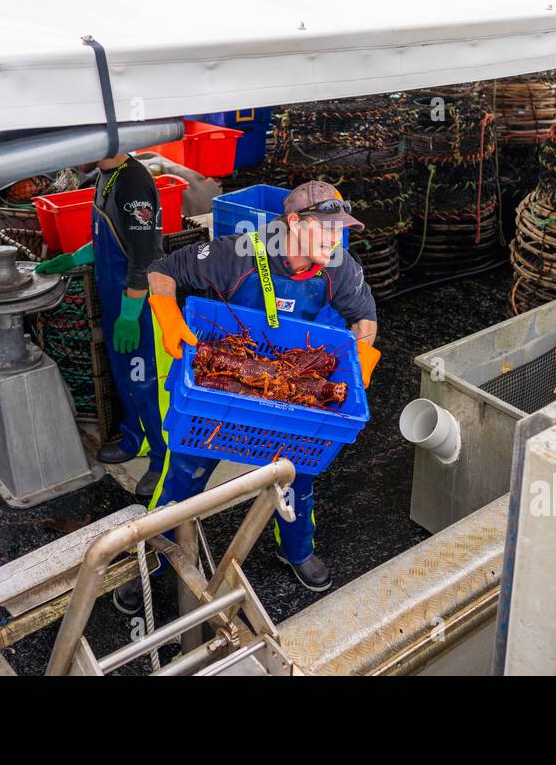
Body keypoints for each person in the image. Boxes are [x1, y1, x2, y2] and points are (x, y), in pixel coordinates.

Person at [116, 180, 381, 607]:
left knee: (299, 474)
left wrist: (362, 361)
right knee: (184, 474)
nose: (336, 239)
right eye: (326, 229)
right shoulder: (235, 252)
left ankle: (296, 550)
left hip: (286, 380)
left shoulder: (339, 266)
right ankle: (149, 563)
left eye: (340, 229)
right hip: (222, 390)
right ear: (293, 222)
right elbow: (161, 271)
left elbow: (365, 317)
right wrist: (165, 311)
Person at [36, 153, 168, 499]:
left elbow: (145, 253)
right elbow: (112, 239)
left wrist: (130, 311)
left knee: (146, 383)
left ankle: (162, 458)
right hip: (115, 301)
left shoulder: (133, 182)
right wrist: (74, 258)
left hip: (137, 306)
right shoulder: (105, 177)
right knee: (124, 379)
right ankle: (135, 438)